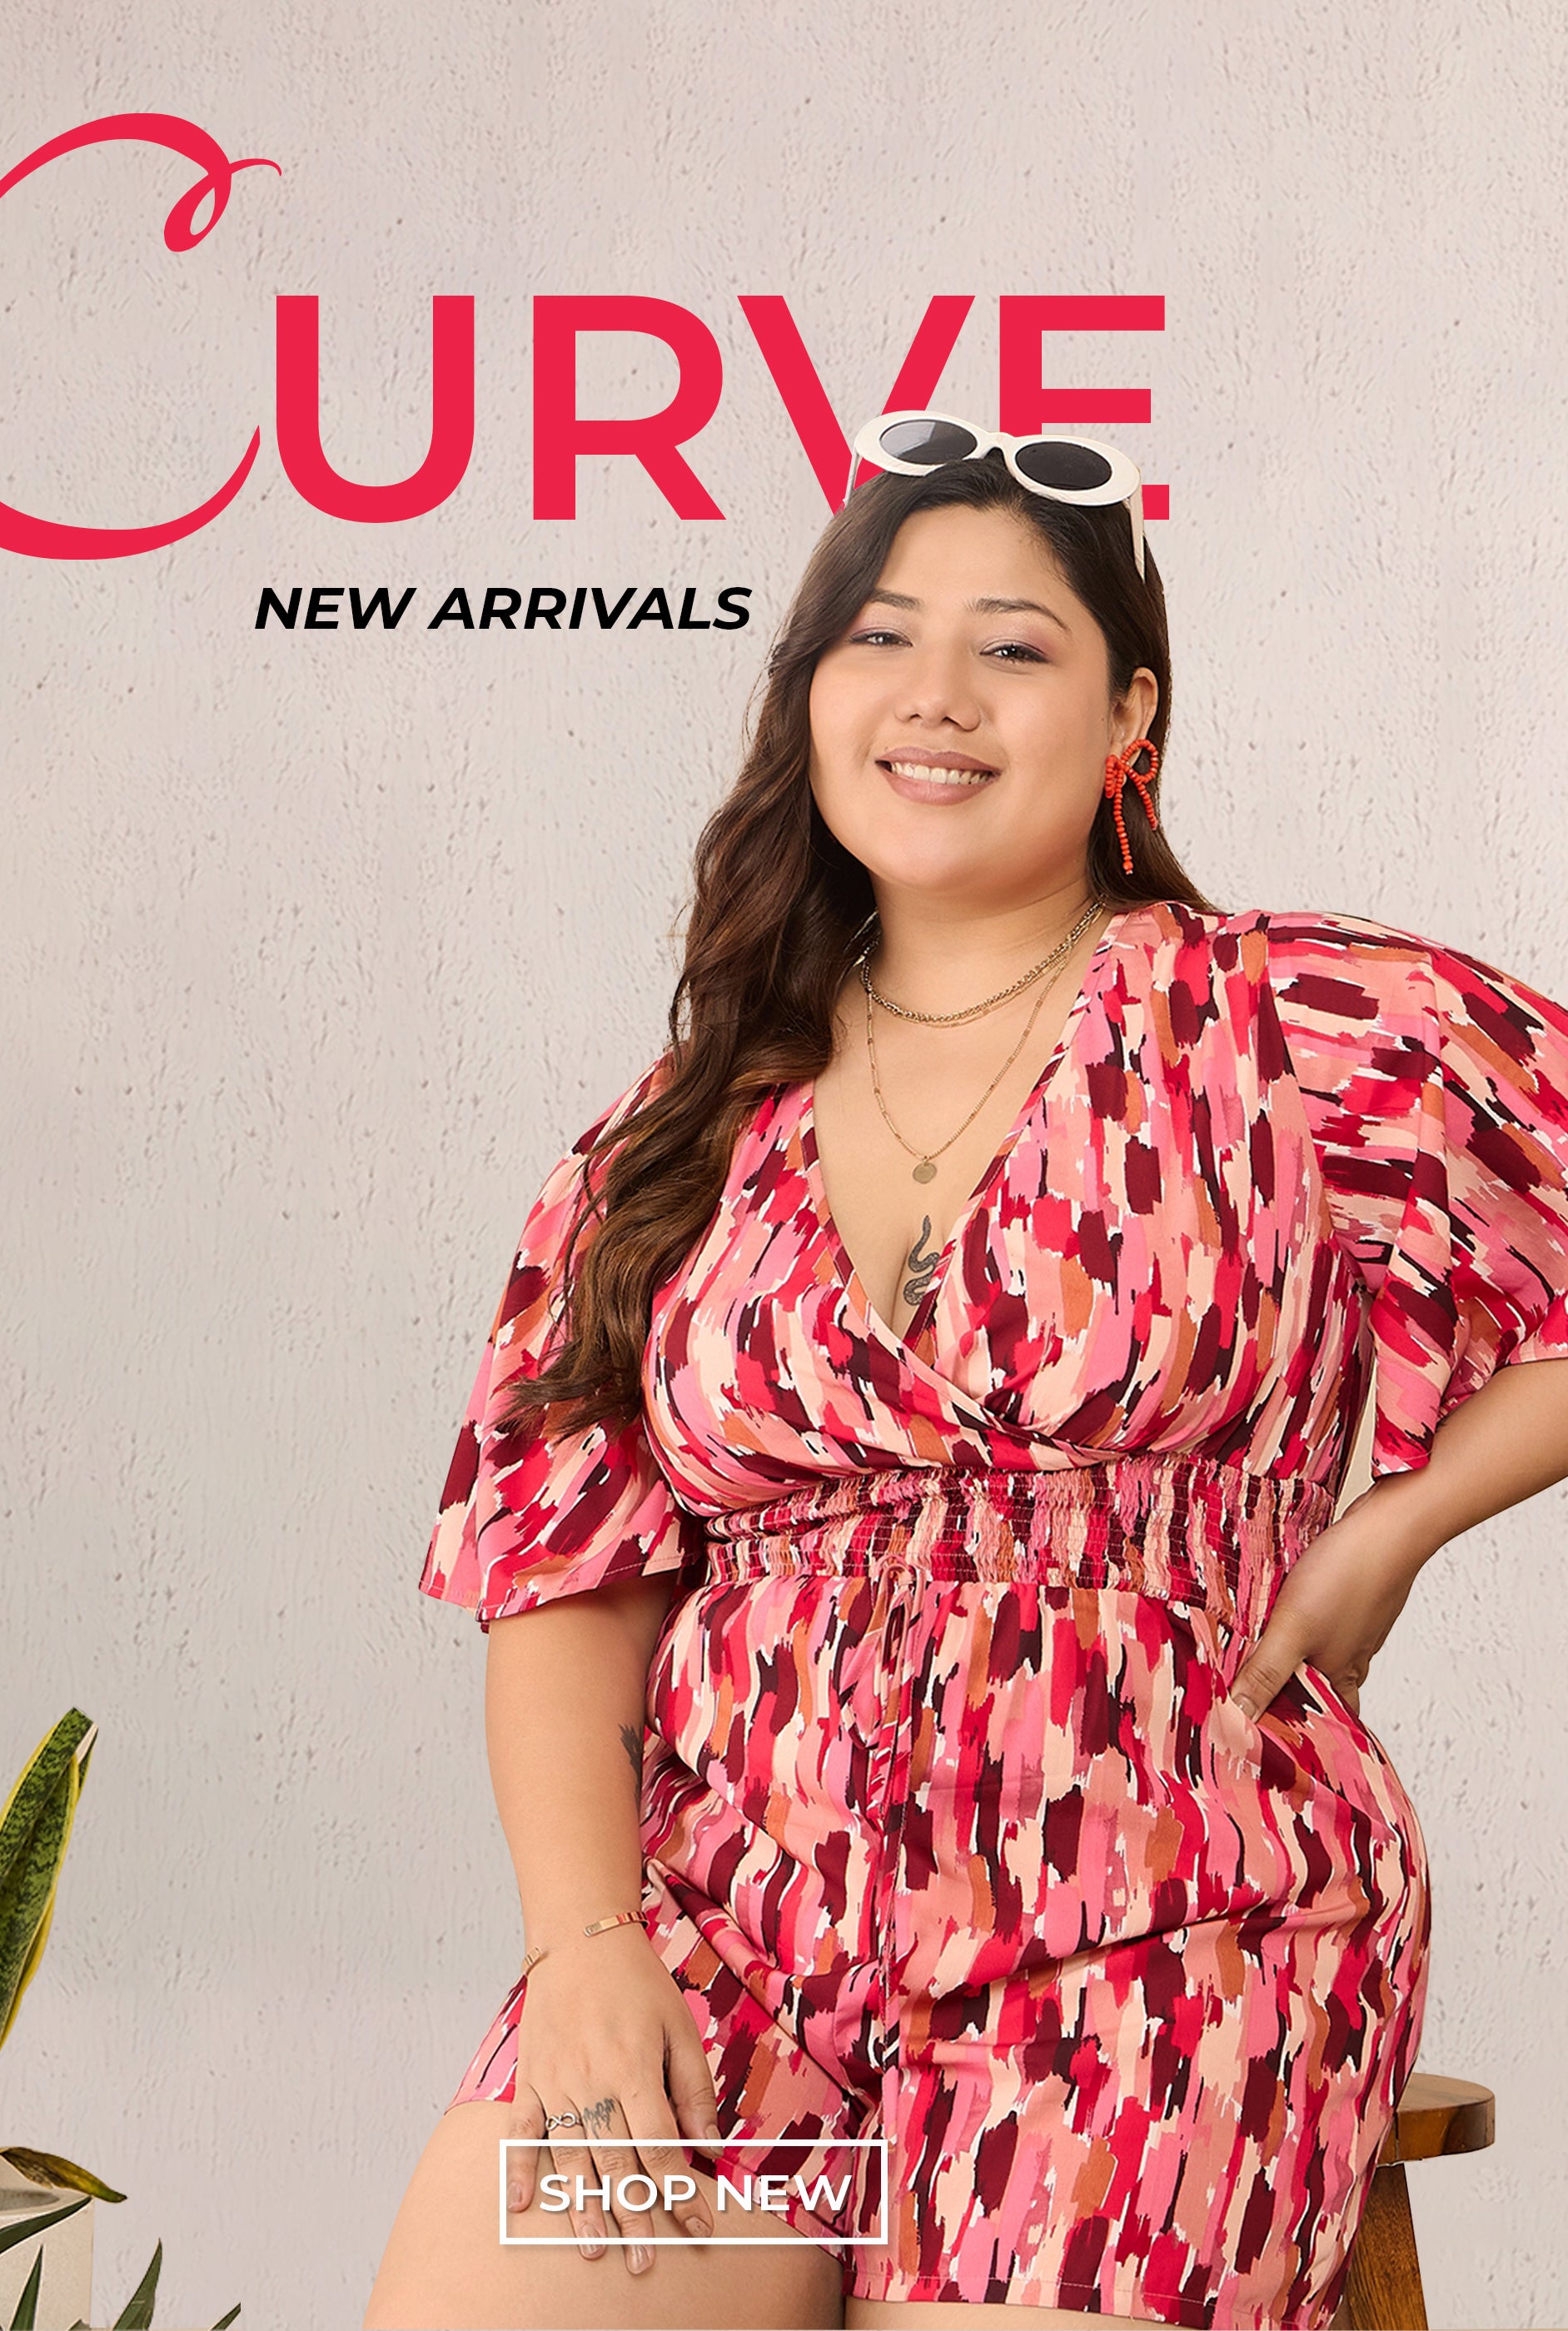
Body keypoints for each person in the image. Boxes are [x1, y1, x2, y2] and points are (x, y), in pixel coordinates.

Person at [363, 416, 1568, 2331]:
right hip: (732, 1930)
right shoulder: (671, 1139)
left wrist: (1401, 1521)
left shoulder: (1287, 1025)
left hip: (1165, 1911)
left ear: (1128, 712)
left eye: (1012, 644)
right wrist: (585, 1939)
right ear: (811, 694)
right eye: (882, 638)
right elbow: (561, 1569)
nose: (937, 693)